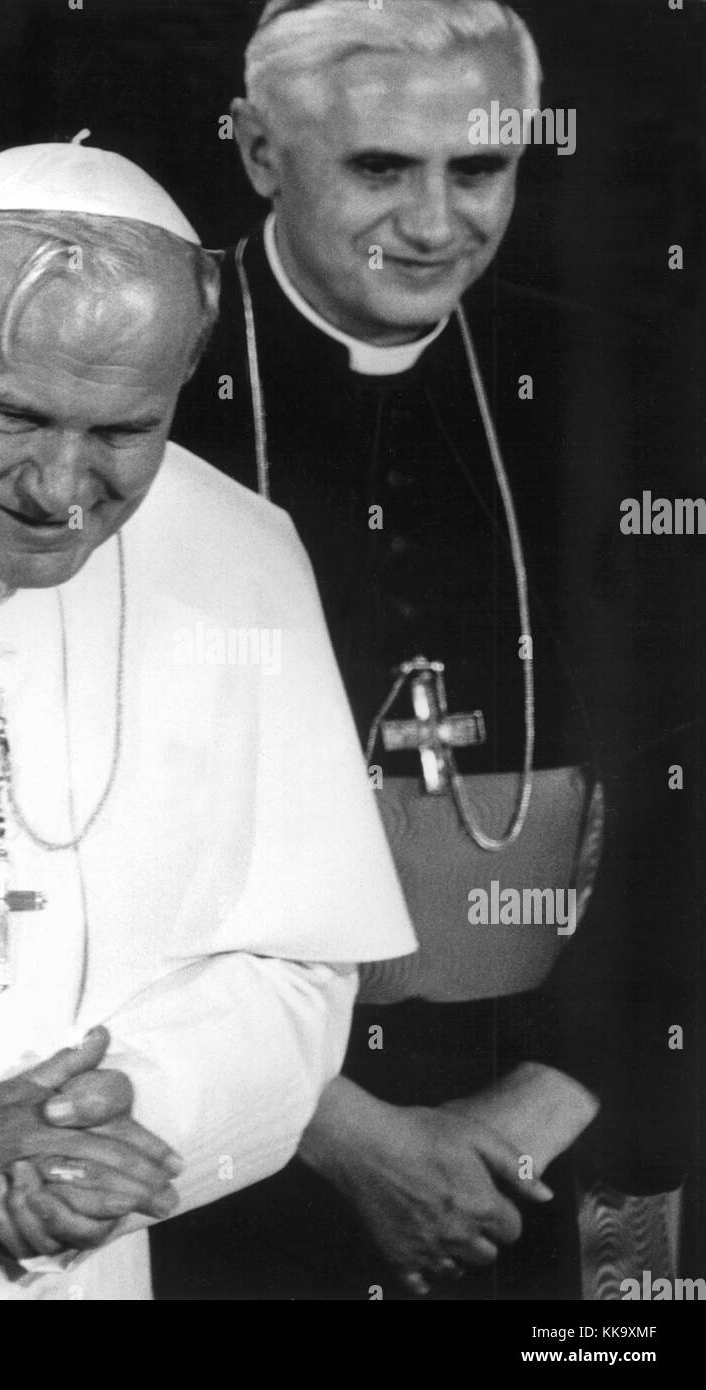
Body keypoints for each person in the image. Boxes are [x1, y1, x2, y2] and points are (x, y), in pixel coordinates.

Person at [0, 138, 421, 1301]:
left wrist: (121, 1116)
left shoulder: (239, 554)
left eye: (122, 433)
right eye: (14, 416)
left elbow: (300, 969)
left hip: (86, 1266)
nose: (62, 491)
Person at [153, 0, 696, 1300]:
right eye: (380, 167)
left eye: (480, 168)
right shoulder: (142, 383)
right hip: (221, 1122)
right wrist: (341, 1128)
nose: (436, 220)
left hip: (558, 1121)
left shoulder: (616, 383)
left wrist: (548, 1095)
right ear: (258, 151)